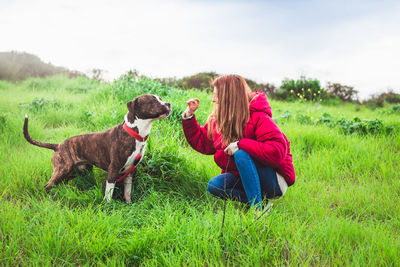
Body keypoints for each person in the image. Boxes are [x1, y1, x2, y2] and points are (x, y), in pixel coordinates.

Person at [181, 74, 295, 211]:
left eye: (217, 95)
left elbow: (276, 152)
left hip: (273, 181)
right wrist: (189, 116)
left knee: (241, 154)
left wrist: (241, 144)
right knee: (214, 186)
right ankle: (262, 204)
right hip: (242, 176)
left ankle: (258, 211)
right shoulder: (218, 120)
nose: (213, 99)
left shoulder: (259, 117)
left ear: (229, 97)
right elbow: (204, 143)